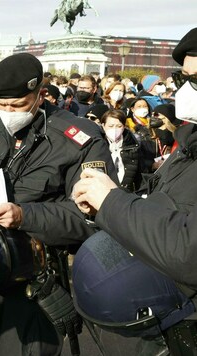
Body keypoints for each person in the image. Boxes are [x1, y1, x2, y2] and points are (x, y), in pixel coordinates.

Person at [0, 53, 115, 356]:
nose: (8, 113)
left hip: (33, 280)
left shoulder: (79, 139)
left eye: (16, 105)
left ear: (40, 94)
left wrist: (25, 216)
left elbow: (90, 216)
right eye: (1, 105)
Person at [71, 27, 197, 355]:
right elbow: (161, 204)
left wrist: (113, 203)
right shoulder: (191, 142)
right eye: (183, 79)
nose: (186, 91)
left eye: (196, 81)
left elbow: (189, 251)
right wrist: (103, 204)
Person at [99, 109, 145, 192]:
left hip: (127, 191)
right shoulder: (98, 144)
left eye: (119, 126)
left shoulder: (134, 144)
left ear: (124, 126)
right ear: (103, 125)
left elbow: (140, 172)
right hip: (103, 190)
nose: (115, 129)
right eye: (111, 126)